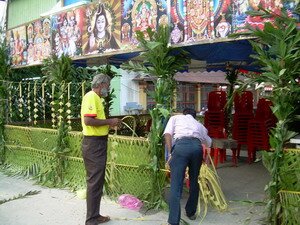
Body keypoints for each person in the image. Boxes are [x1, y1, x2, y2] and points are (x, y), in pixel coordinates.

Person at [81, 74, 120, 225]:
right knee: (94, 182)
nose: (108, 89)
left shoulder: (96, 98)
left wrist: (108, 124)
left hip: (96, 143)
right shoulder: (91, 96)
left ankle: (95, 215)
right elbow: (88, 120)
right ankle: (91, 219)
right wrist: (110, 121)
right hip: (93, 144)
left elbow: (95, 121)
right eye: (108, 86)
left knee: (97, 181)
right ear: (101, 84)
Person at [163, 108, 212, 225]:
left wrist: (170, 153)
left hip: (181, 147)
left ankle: (174, 221)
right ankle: (190, 212)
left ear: (183, 113)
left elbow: (167, 134)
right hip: (196, 148)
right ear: (194, 116)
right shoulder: (199, 125)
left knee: (176, 184)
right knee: (194, 180)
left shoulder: (175, 118)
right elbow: (209, 142)